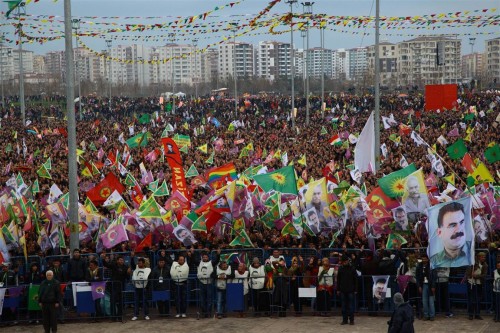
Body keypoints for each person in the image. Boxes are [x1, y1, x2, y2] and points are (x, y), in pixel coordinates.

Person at [430, 201, 472, 268]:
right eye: (452, 225)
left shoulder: (474, 251)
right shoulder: (434, 261)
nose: (459, 229)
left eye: (461, 222)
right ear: (440, 232)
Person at [101, 253, 132, 321]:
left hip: (121, 286)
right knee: (113, 302)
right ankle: (113, 317)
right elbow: (106, 265)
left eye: (122, 260)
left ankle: (120, 317)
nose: (121, 261)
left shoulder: (125, 267)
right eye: (120, 260)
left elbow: (127, 278)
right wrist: (103, 259)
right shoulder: (114, 265)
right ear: (117, 260)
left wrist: (128, 273)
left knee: (120, 302)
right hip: (113, 286)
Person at [465, 252, 488, 320]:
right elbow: (468, 273)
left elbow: (484, 275)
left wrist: (477, 276)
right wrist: (471, 272)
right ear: (479, 257)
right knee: (471, 299)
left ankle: (477, 314)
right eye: (482, 257)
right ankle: (471, 314)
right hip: (471, 283)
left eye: (484, 257)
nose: (484, 258)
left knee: (478, 299)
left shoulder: (485, 265)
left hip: (479, 283)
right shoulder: (473, 263)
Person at [196, 251, 219, 318]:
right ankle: (204, 312)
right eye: (204, 257)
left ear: (208, 257)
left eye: (206, 257)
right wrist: (192, 254)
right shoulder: (199, 262)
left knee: (209, 299)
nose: (205, 258)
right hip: (201, 282)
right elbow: (194, 260)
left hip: (209, 283)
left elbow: (217, 260)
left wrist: (218, 254)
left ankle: (208, 312)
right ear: (202, 258)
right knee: (202, 299)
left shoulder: (211, 262)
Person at [337, 254, 357, 325]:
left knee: (351, 305)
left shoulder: (352, 268)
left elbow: (355, 280)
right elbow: (338, 280)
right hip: (343, 289)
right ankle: (344, 320)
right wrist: (338, 289)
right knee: (344, 306)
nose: (345, 262)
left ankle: (351, 320)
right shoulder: (340, 269)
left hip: (351, 290)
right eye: (343, 261)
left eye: (346, 261)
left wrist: (355, 289)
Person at [416, 255, 436, 321]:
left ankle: (432, 315)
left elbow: (434, 277)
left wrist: (433, 286)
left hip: (430, 285)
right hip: (423, 285)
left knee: (431, 301)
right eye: (423, 259)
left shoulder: (431, 266)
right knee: (424, 301)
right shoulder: (419, 266)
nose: (424, 260)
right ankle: (426, 315)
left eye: (425, 259)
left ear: (428, 259)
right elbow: (417, 277)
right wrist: (419, 286)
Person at [170, 254, 190, 318]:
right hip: (176, 285)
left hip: (183, 285)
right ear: (178, 260)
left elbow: (184, 273)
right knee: (177, 299)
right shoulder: (174, 264)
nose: (181, 261)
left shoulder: (186, 266)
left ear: (184, 261)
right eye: (180, 260)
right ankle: (178, 312)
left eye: (182, 260)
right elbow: (172, 273)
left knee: (184, 299)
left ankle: (183, 312)